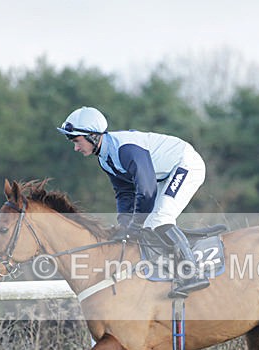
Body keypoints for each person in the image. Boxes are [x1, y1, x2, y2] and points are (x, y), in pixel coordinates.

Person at [57, 106, 209, 298]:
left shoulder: (126, 150)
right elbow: (124, 193)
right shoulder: (104, 159)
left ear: (94, 136)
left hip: (186, 165)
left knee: (159, 220)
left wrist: (134, 225)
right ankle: (168, 271)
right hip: (165, 176)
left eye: (77, 141)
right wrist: (124, 225)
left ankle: (193, 273)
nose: (76, 148)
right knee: (147, 224)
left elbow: (146, 191)